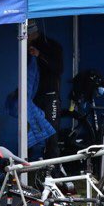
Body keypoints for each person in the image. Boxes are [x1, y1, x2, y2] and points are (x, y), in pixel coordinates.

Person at [28, 21, 64, 158]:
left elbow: (58, 69)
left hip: (50, 96)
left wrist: (40, 55)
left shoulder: (52, 46)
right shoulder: (28, 48)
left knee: (52, 133)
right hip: (35, 97)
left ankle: (54, 171)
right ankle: (32, 164)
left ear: (32, 33)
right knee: (33, 131)